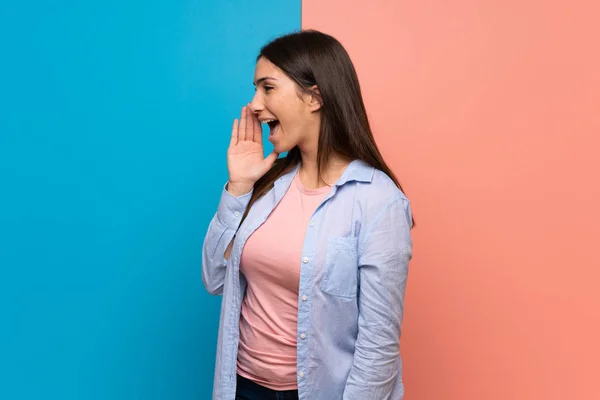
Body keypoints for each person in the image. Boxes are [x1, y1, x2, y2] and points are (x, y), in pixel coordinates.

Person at [202, 29, 414, 400]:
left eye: (267, 88)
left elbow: (378, 345)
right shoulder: (268, 183)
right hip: (243, 387)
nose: (254, 104)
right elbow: (214, 277)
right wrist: (237, 188)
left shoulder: (379, 201)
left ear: (314, 97)